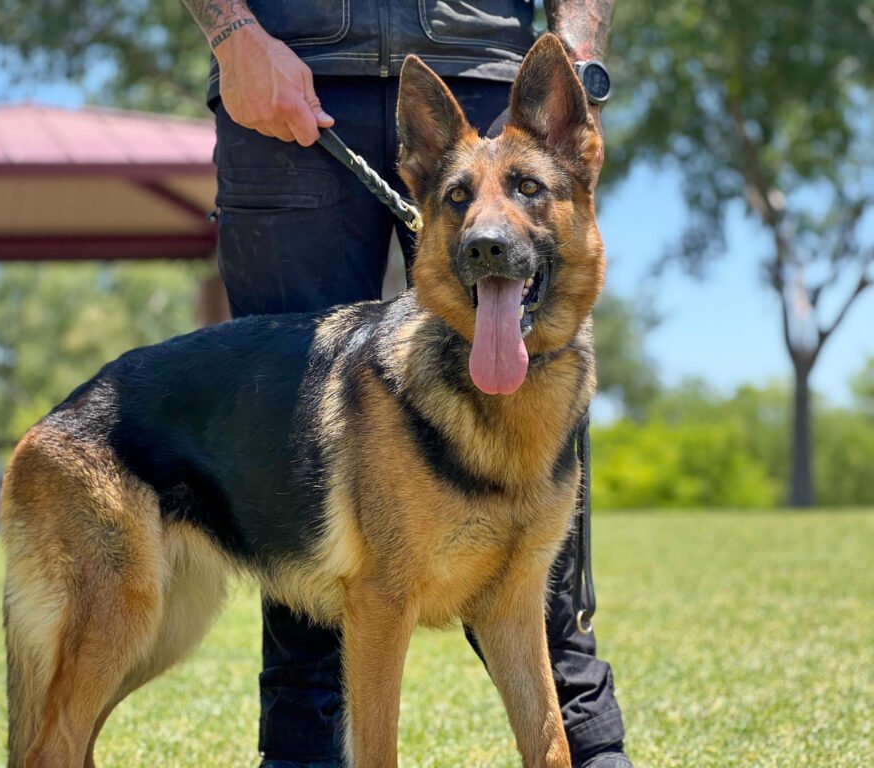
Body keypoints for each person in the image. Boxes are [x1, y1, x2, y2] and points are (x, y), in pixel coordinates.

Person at [182, 3, 630, 767]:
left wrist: (577, 52)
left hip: (485, 61)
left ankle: (585, 748)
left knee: (536, 447)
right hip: (290, 68)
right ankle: (299, 751)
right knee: (291, 455)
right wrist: (233, 33)